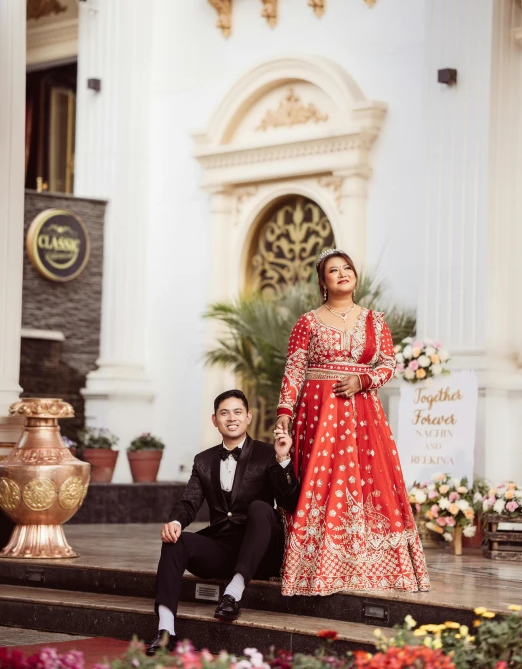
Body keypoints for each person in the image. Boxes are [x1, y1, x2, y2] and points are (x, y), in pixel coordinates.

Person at [275, 248, 430, 596]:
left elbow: (388, 363)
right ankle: (317, 569)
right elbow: (295, 368)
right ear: (323, 281)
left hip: (362, 414)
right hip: (319, 413)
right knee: (322, 482)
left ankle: (369, 567)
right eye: (334, 270)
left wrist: (363, 381)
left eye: (348, 268)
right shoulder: (308, 322)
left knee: (368, 481)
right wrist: (285, 411)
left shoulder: (375, 320)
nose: (343, 273)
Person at [147, 388, 300, 655]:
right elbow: (189, 501)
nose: (232, 418)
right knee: (175, 542)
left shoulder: (268, 453)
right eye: (224, 413)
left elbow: (290, 502)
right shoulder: (203, 460)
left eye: (238, 412)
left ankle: (234, 592)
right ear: (214, 420)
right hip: (223, 548)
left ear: (248, 417)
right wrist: (175, 522)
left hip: (261, 552)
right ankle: (165, 629)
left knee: (260, 508)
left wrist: (284, 459)